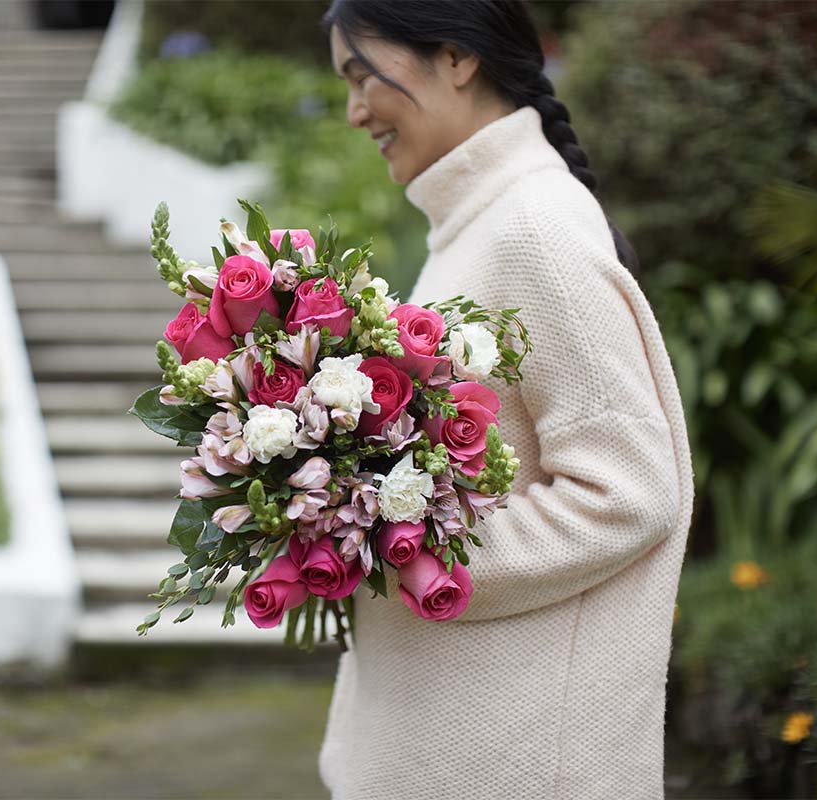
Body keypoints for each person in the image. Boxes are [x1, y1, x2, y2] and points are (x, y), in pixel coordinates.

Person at [318, 2, 695, 798]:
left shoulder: (534, 231)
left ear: (456, 56)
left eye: (363, 77)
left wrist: (404, 553)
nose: (354, 111)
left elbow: (627, 491)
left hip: (510, 764)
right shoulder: (477, 227)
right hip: (449, 746)